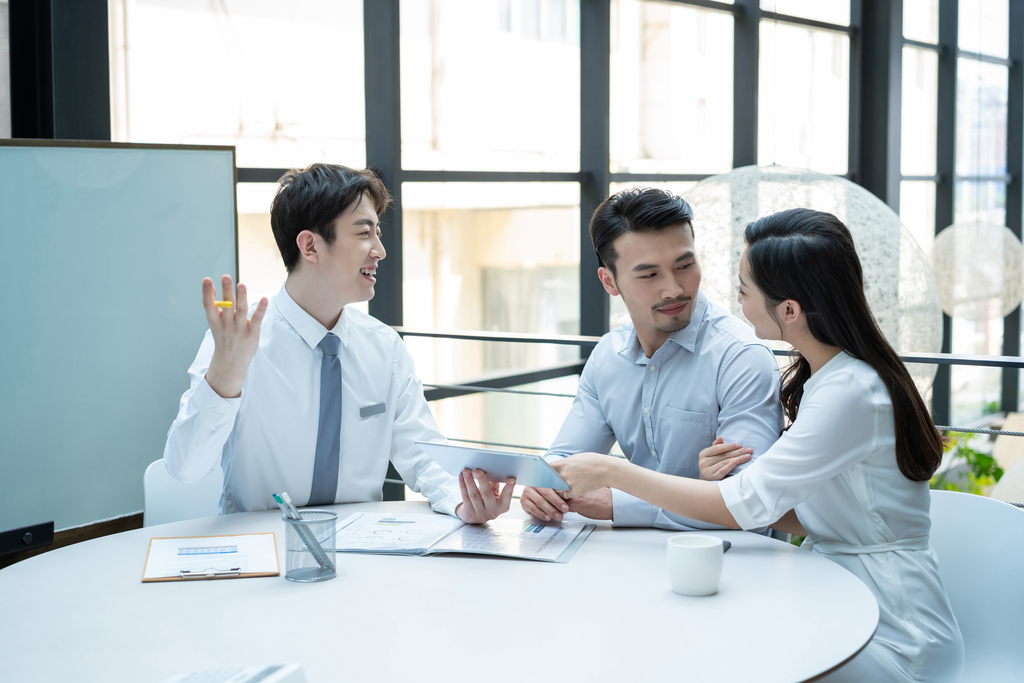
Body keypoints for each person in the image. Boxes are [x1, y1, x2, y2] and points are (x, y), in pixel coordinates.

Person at [552, 208, 964, 682]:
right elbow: (803, 513)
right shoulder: (829, 380)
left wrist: (617, 475)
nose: (733, 301)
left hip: (893, 629)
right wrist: (730, 486)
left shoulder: (848, 392)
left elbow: (748, 505)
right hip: (834, 596)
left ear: (789, 311)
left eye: (745, 290)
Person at [163, 163, 512, 524]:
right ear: (310, 246)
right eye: (364, 234)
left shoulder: (384, 348)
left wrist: (462, 500)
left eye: (378, 233)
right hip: (262, 550)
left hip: (362, 552)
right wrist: (225, 377)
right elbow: (186, 469)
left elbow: (423, 454)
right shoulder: (237, 344)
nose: (379, 251)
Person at [521, 187, 783, 530]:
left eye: (684, 265)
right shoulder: (607, 357)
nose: (674, 288)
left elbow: (747, 506)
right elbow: (563, 464)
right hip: (633, 557)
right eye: (649, 274)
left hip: (731, 564)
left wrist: (620, 503)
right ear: (609, 281)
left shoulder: (741, 358)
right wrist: (542, 489)